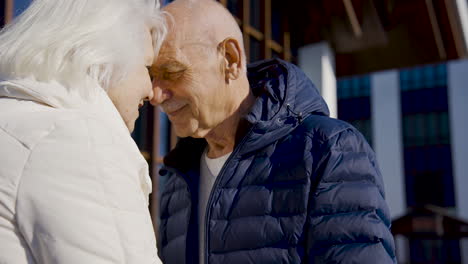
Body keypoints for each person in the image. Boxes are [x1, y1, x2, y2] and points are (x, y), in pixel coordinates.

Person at [152, 0, 396, 263]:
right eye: (152, 75)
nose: (155, 94)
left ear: (230, 59)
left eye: (172, 71)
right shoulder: (178, 176)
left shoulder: (328, 150)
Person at [0, 0, 166, 263]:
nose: (151, 91)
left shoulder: (14, 123)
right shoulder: (75, 140)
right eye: (147, 68)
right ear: (103, 55)